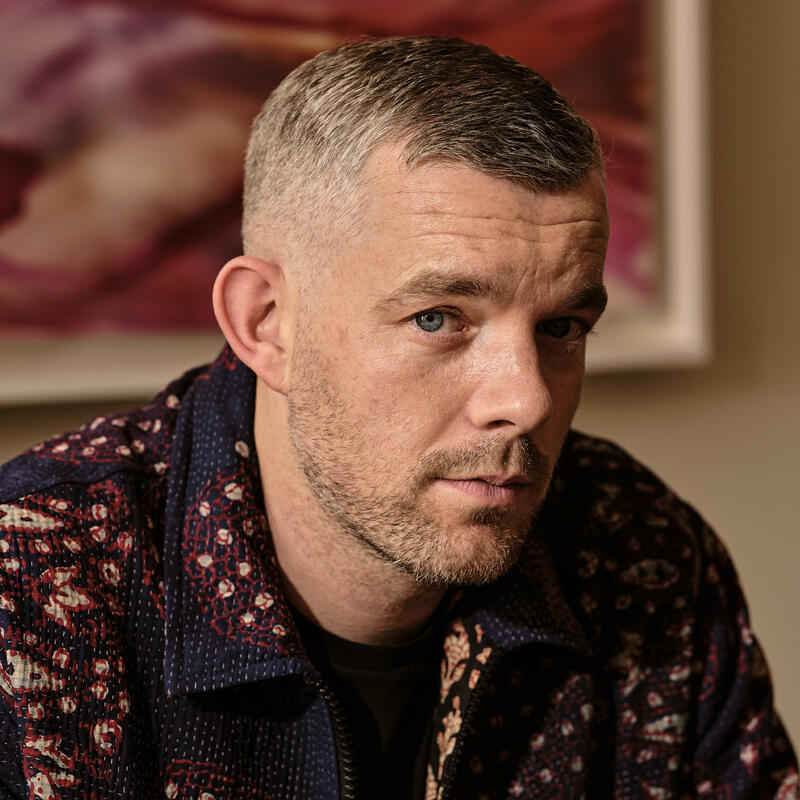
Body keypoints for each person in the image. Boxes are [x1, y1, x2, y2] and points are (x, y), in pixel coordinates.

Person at [0, 36, 796, 800]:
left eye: (561, 327)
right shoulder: (31, 594)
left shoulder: (639, 556)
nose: (526, 401)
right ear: (266, 322)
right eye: (438, 318)